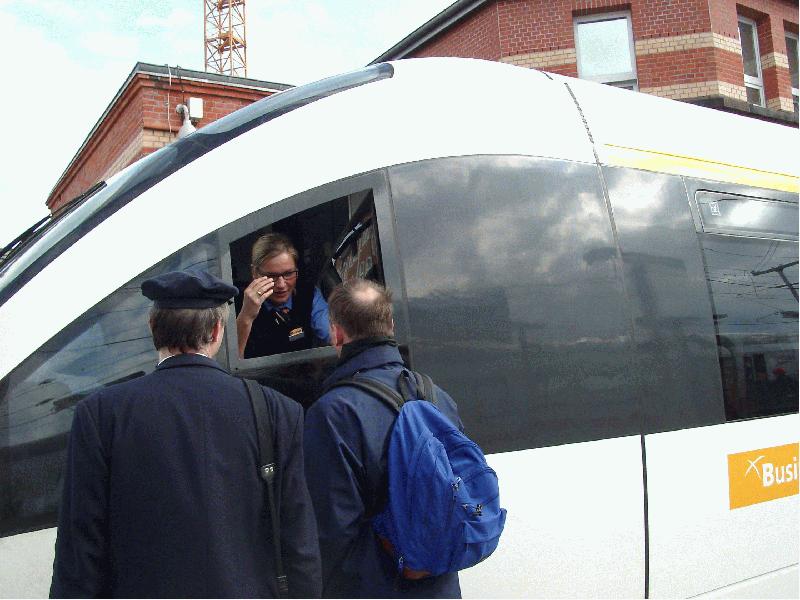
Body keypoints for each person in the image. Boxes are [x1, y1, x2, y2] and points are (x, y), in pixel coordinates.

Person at [50, 268, 322, 598]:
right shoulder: (276, 411)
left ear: (152, 327)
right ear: (219, 330)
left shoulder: (100, 414)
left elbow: (78, 553)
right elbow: (299, 543)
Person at [304, 279, 463, 598]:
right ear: (390, 324)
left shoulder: (333, 413)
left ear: (336, 334)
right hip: (441, 585)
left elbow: (333, 532)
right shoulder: (437, 396)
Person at [236, 232, 330, 358]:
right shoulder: (236, 303)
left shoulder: (309, 295)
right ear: (255, 273)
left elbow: (332, 334)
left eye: (288, 274)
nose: (281, 284)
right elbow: (231, 364)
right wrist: (246, 317)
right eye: (271, 276)